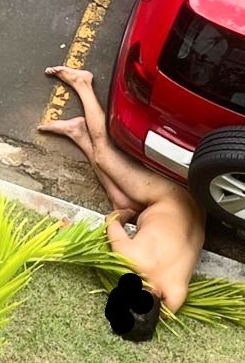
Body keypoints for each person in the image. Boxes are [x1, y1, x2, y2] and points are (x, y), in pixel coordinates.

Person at [39, 65, 206, 338]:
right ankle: (82, 83)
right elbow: (111, 221)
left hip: (194, 207)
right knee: (105, 156)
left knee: (120, 198)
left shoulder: (175, 298)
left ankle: (79, 133)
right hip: (169, 194)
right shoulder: (133, 260)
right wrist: (119, 220)